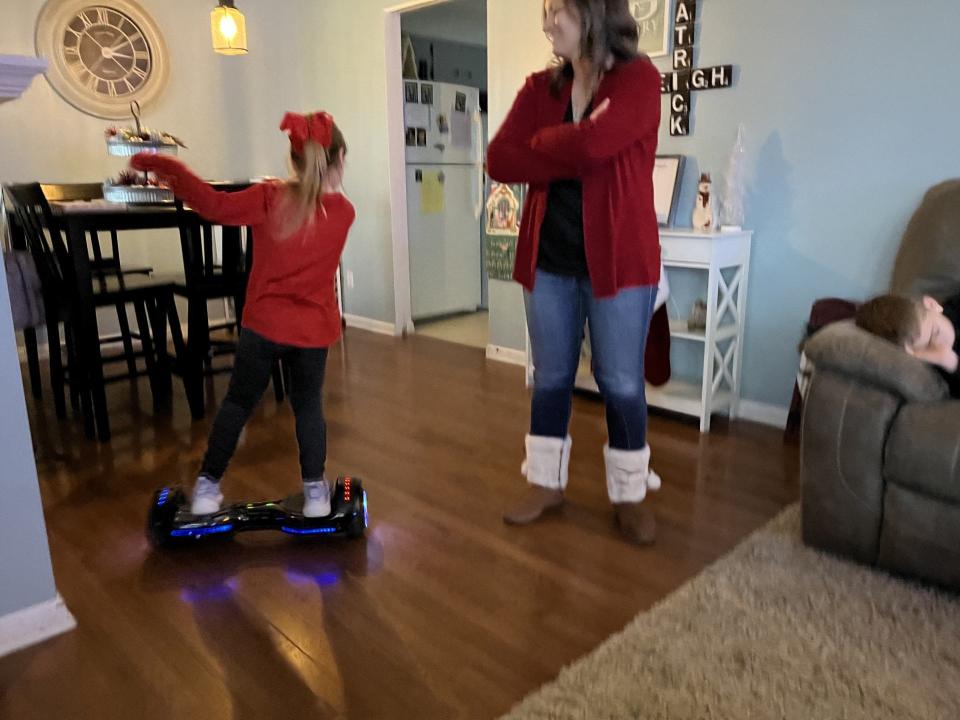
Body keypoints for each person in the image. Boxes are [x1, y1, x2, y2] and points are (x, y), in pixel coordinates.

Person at [487, 0, 664, 544]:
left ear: (592, 12)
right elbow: (500, 159)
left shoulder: (639, 80)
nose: (547, 25)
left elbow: (597, 144)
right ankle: (546, 484)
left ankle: (630, 493)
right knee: (552, 377)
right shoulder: (540, 89)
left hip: (620, 263)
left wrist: (545, 146)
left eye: (557, 11)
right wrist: (573, 146)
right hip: (550, 262)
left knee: (621, 382)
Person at [131, 111, 355, 517]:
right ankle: (317, 496)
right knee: (308, 406)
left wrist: (169, 168)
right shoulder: (344, 214)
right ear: (338, 159)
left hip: (264, 327)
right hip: (312, 331)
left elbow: (212, 206)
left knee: (237, 404)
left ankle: (205, 488)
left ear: (294, 159)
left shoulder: (268, 198)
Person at [854, 293, 960, 395]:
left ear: (932, 305)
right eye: (927, 346)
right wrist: (952, 363)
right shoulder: (937, 365)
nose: (940, 346)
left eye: (935, 332)